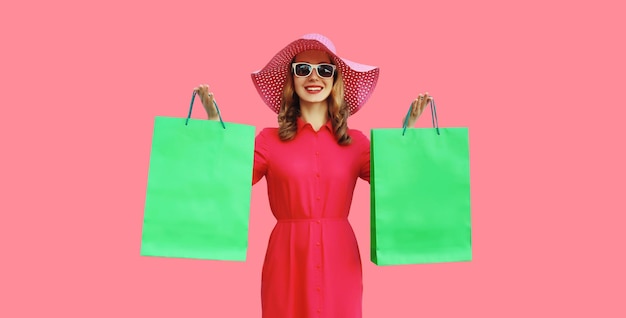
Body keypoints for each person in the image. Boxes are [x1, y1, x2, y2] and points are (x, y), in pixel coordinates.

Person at [194, 33, 431, 318]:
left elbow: (396, 185)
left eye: (324, 69)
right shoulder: (268, 140)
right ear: (292, 80)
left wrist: (408, 139)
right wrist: (211, 132)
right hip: (287, 256)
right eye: (303, 69)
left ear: (335, 80)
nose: (313, 77)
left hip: (340, 257)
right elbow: (228, 180)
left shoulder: (356, 142)